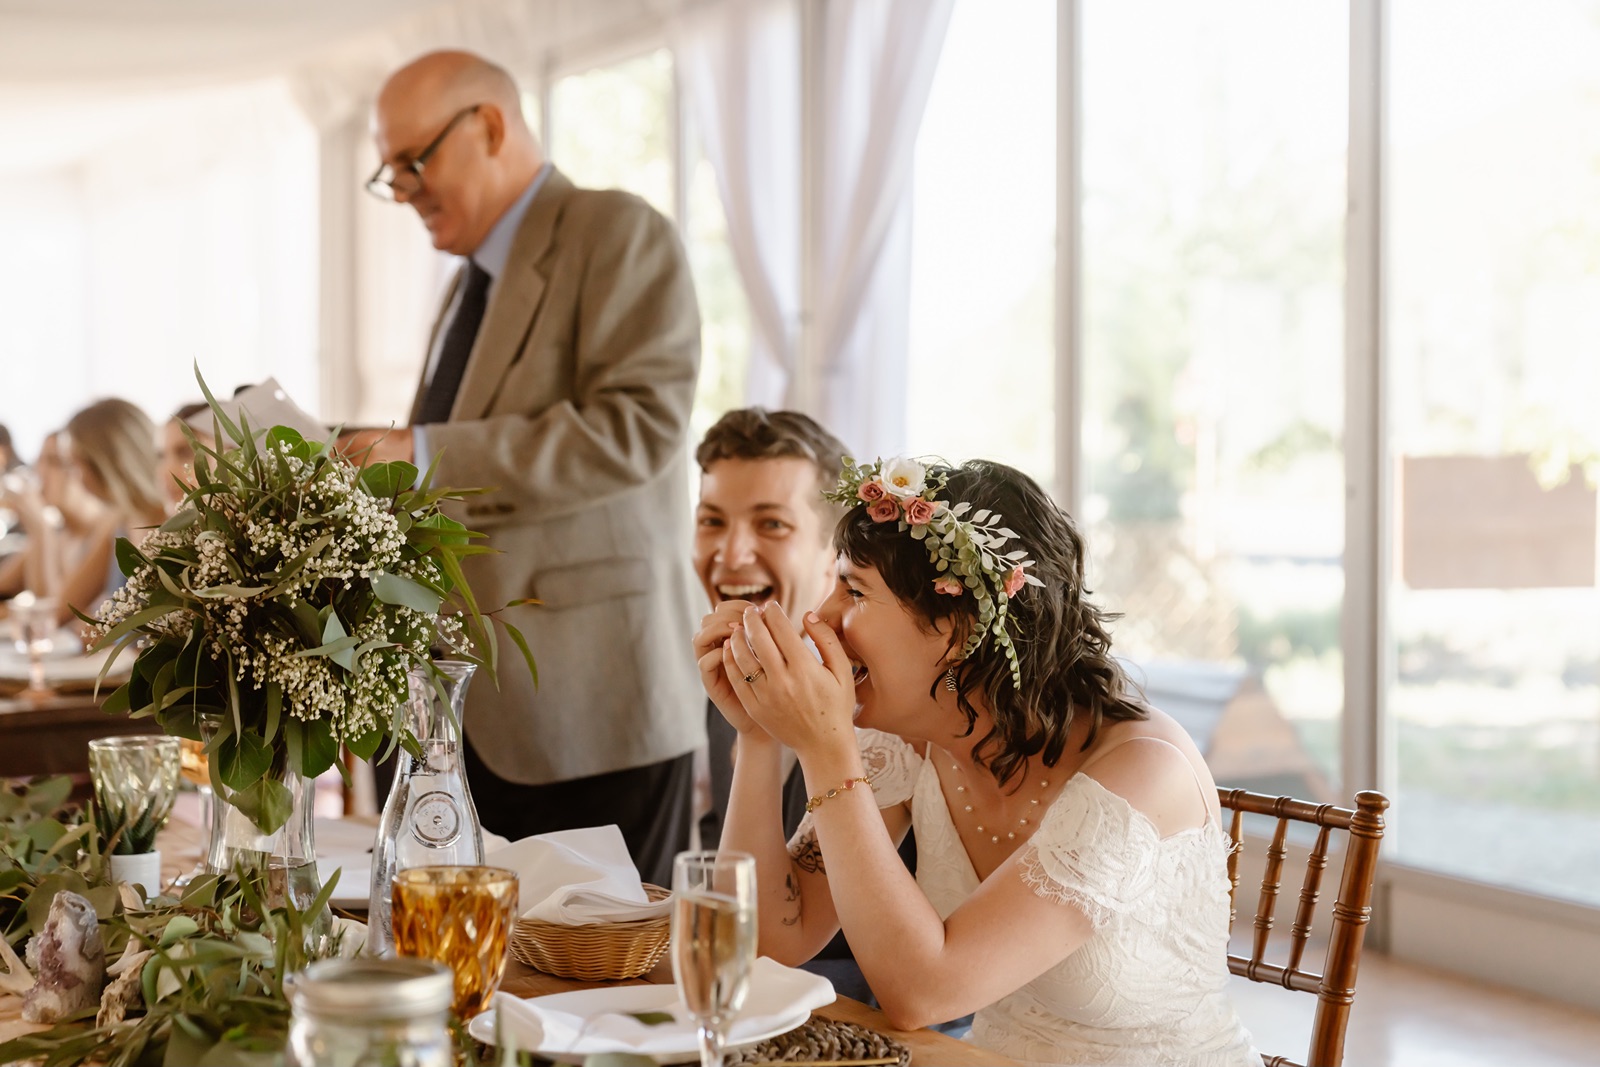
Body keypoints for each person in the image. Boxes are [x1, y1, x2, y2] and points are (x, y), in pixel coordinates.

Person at [695, 457, 1263, 1066]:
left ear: (959, 628)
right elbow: (771, 940)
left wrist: (824, 750)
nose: (821, 617)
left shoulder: (1143, 775)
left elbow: (920, 995)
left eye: (855, 591)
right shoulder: (908, 740)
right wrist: (758, 737)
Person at [342, 50, 704, 885]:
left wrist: (421, 453)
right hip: (467, 717)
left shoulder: (617, 232)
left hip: (589, 709)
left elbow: (639, 426)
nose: (400, 189)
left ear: (490, 126)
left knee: (599, 995)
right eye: (387, 171)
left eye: (411, 161)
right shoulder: (466, 285)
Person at [1, 401, 164, 629]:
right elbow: (60, 612)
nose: (77, 476)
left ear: (102, 462)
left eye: (75, 463)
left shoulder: (171, 523)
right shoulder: (119, 524)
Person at [0, 431, 110, 601]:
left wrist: (41, 529)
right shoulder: (61, 531)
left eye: (54, 462)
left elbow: (55, 612)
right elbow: (5, 583)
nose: (41, 472)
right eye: (40, 461)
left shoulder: (106, 532)